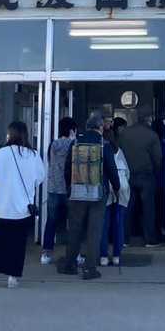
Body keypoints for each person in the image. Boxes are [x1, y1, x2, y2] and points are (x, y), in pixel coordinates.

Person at [0, 120, 45, 289]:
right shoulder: (33, 155)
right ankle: (13, 277)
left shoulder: (1, 153)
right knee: (18, 245)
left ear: (10, 135)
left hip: (3, 208)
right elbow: (40, 177)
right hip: (23, 209)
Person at [58, 112, 119, 280]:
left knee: (75, 229)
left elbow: (68, 168)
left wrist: (70, 187)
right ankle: (89, 268)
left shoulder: (75, 142)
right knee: (94, 231)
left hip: (77, 192)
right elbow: (112, 170)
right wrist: (116, 187)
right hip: (98, 194)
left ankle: (70, 265)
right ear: (100, 127)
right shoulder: (104, 144)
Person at [117, 112, 164, 246]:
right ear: (148, 119)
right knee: (148, 209)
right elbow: (158, 158)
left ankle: (124, 239)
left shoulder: (124, 134)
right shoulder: (152, 135)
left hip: (128, 175)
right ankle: (150, 239)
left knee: (127, 207)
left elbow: (118, 152)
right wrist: (155, 171)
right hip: (146, 175)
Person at [40, 116, 76, 265]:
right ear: (72, 130)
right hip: (69, 189)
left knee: (51, 221)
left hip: (53, 188)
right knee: (73, 222)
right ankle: (74, 254)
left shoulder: (53, 144)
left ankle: (46, 253)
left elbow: (50, 162)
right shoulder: (74, 144)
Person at [99, 121, 131, 267]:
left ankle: (103, 256)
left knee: (104, 224)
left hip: (106, 188)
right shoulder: (119, 151)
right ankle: (117, 255)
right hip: (121, 188)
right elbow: (127, 172)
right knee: (119, 223)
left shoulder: (100, 150)